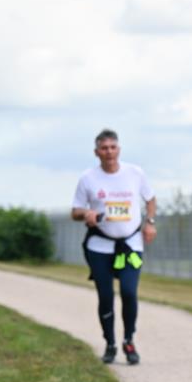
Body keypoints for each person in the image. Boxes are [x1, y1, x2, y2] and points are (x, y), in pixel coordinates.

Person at [71, 129, 157, 365]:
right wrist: (86, 213)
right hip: (100, 246)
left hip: (130, 245)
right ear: (96, 152)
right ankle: (110, 343)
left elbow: (150, 199)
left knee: (129, 293)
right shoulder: (88, 178)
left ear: (119, 149)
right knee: (105, 296)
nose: (109, 152)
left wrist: (149, 223)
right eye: (104, 148)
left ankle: (129, 341)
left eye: (113, 147)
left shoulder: (135, 173)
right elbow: (75, 211)